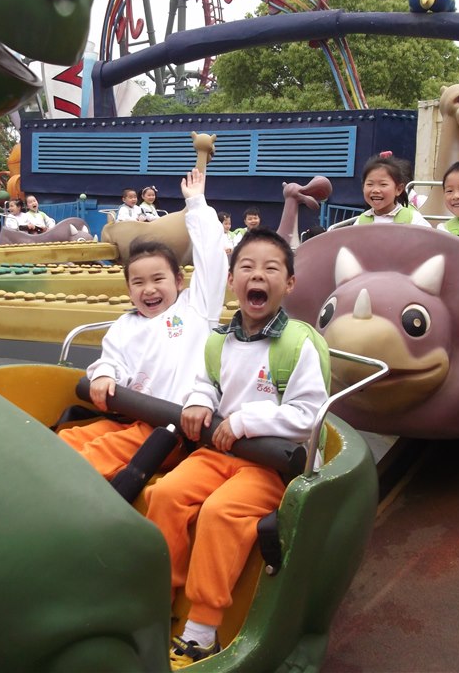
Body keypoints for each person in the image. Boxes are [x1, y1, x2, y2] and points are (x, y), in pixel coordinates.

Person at [144, 227, 330, 668]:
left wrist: (246, 421)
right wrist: (198, 402)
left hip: (272, 462)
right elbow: (208, 384)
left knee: (221, 512)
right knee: (166, 494)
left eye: (271, 268)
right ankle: (157, 602)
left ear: (289, 283)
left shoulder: (298, 343)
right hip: (222, 453)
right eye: (246, 267)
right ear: (232, 281)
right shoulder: (219, 340)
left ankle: (201, 631)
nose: (257, 275)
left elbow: (308, 414)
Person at [58, 168, 228, 479]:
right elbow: (112, 362)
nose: (148, 289)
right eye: (138, 282)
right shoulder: (125, 324)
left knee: (91, 456)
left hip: (170, 429)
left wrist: (197, 205)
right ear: (129, 288)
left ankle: (59, 489)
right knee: (66, 439)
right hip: (129, 419)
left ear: (179, 281)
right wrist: (104, 374)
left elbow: (213, 257)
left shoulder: (196, 308)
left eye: (158, 279)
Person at [355, 152, 431, 227]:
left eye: (383, 184)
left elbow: (427, 234)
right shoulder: (360, 221)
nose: (375, 190)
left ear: (398, 189)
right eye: (370, 184)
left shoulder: (413, 218)